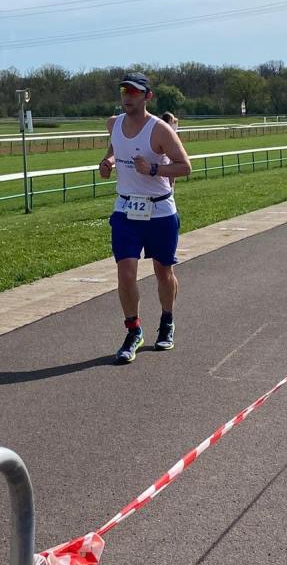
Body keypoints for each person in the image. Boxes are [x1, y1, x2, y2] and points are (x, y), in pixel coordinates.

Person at [98, 72, 192, 363]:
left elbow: (185, 167)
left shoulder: (160, 130)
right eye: (124, 91)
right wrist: (108, 161)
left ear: (147, 96)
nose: (127, 96)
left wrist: (153, 169)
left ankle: (167, 321)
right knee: (125, 273)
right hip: (126, 209)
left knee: (163, 272)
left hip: (159, 211)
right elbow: (115, 148)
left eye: (134, 92)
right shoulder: (113, 124)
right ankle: (133, 330)